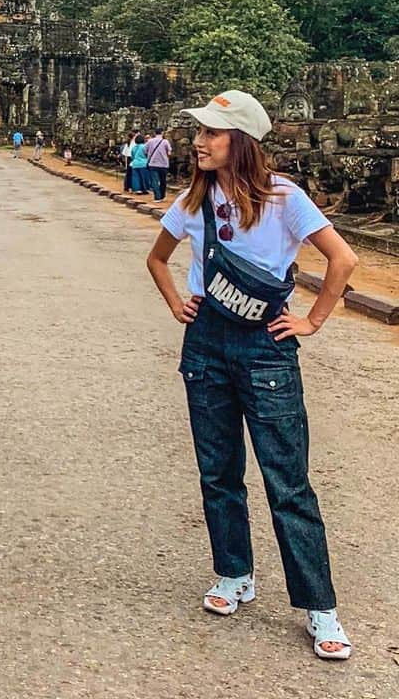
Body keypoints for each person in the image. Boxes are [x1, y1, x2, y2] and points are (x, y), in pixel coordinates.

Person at [145, 90, 357, 661]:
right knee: (218, 472)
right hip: (206, 343)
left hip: (266, 348)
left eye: (211, 133)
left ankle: (319, 605)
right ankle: (234, 572)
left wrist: (311, 320)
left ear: (240, 141)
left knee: (287, 479)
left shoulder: (285, 198)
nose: (198, 141)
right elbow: (157, 257)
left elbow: (343, 259)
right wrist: (175, 304)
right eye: (198, 132)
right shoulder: (194, 200)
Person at [146, 126, 172, 200]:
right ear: (162, 133)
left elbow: (145, 150)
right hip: (163, 164)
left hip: (153, 163)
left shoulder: (150, 141)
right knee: (163, 180)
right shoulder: (165, 141)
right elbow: (169, 152)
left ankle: (157, 196)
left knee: (155, 180)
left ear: (155, 133)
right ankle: (162, 195)